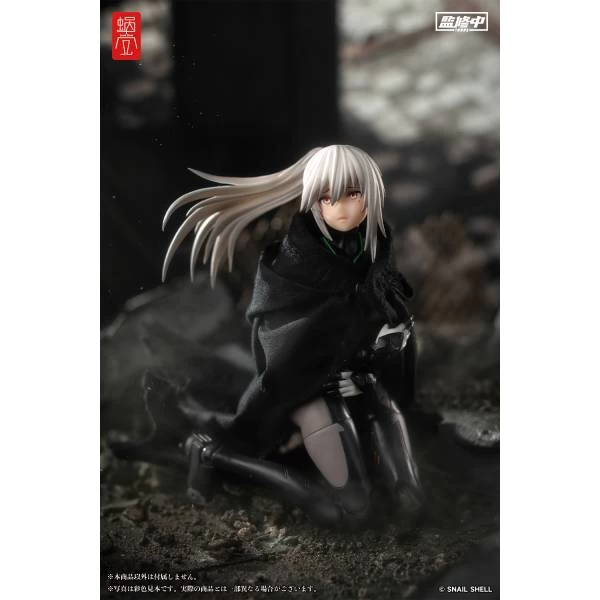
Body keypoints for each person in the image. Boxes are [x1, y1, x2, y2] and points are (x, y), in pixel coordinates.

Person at [114, 145, 423, 528]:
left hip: (362, 382)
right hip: (303, 389)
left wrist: (385, 348)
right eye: (327, 197)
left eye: (352, 193)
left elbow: (387, 315)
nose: (340, 207)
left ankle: (403, 487)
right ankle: (218, 456)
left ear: (371, 194)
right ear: (314, 200)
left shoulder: (376, 251)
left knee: (408, 491)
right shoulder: (289, 264)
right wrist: (335, 369)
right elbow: (282, 348)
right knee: (352, 511)